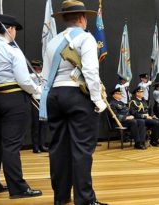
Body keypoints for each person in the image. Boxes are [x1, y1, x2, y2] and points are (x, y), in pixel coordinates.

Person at [41, 1, 107, 204]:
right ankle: (85, 199)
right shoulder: (86, 38)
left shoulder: (52, 42)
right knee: (82, 149)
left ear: (65, 19)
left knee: (58, 149)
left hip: (54, 96)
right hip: (77, 96)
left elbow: (45, 76)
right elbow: (90, 72)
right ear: (81, 18)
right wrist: (98, 100)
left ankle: (60, 198)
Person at [0, 14, 42, 198]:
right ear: (9, 29)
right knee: (11, 145)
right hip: (13, 99)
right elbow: (23, 80)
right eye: (15, 30)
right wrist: (36, 91)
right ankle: (18, 188)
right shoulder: (13, 51)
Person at [30, 60, 48, 153]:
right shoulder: (31, 76)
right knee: (36, 125)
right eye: (37, 67)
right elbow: (29, 79)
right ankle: (35, 146)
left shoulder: (44, 75)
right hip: (35, 100)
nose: (39, 69)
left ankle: (42, 145)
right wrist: (36, 75)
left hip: (43, 99)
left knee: (44, 124)